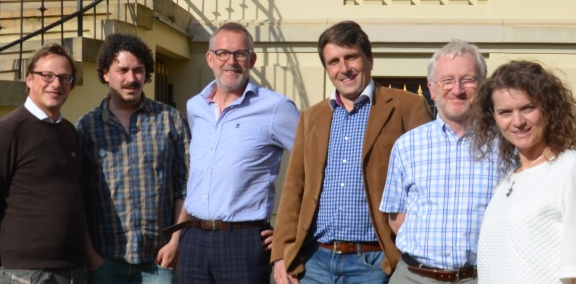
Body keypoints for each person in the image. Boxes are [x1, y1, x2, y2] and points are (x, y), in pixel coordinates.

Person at [272, 20, 433, 284]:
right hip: (315, 262)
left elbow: (427, 184)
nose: (344, 69)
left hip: (375, 263)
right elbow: (293, 190)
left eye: (351, 57)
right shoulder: (312, 117)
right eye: (334, 61)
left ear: (369, 59)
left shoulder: (408, 107)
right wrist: (281, 255)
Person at [168, 22, 300, 284]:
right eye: (222, 53)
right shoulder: (196, 107)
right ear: (210, 58)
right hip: (193, 240)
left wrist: (290, 231)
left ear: (252, 59)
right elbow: (197, 179)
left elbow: (316, 165)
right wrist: (177, 239)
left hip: (243, 242)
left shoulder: (276, 108)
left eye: (240, 53)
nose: (231, 61)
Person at [470, 60, 576, 284]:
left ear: (548, 107)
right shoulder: (508, 180)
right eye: (505, 112)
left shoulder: (572, 168)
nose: (518, 121)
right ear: (493, 117)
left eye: (527, 108)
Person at [379, 40, 501, 284]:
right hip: (414, 277)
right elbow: (396, 216)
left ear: (483, 87)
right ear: (432, 89)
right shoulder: (407, 146)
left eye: (468, 80)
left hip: (482, 277)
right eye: (447, 81)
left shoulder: (504, 146)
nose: (457, 90)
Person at [77, 33, 190, 284]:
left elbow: (186, 187)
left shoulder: (170, 120)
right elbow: (78, 197)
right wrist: (92, 258)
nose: (131, 78)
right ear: (106, 74)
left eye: (138, 70)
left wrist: (175, 243)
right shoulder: (86, 128)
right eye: (123, 70)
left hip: (158, 263)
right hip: (105, 263)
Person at [0, 43, 87, 283]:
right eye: (46, 76)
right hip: (25, 273)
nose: (56, 84)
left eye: (64, 77)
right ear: (29, 79)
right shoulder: (9, 131)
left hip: (73, 270)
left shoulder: (70, 132)